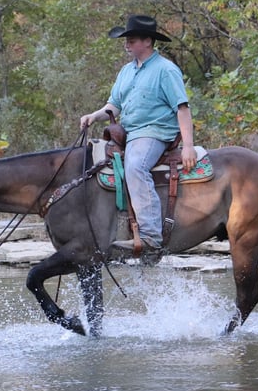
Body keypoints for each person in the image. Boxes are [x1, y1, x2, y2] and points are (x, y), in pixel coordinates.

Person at [80, 14, 196, 254]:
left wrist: (188, 146)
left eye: (131, 40)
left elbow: (182, 109)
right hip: (129, 132)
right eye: (126, 40)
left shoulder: (165, 70)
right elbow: (114, 105)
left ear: (147, 41)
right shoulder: (126, 71)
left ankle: (151, 235)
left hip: (154, 132)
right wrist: (94, 115)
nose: (126, 44)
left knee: (135, 166)